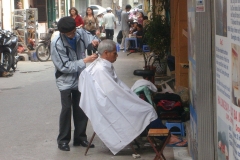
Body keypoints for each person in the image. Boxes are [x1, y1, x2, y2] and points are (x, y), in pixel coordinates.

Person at [78, 39, 187, 155]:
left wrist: (129, 95)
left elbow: (116, 88)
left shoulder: (104, 65)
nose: (117, 55)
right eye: (115, 53)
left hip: (114, 101)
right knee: (147, 110)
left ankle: (165, 135)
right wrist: (129, 99)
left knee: (145, 106)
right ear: (106, 53)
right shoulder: (100, 70)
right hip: (109, 106)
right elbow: (110, 93)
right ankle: (167, 138)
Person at [51, 16, 99, 151]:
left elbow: (92, 38)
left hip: (81, 78)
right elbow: (64, 66)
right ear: (62, 33)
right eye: (69, 34)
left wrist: (95, 41)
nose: (73, 35)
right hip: (65, 80)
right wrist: (85, 61)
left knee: (81, 107)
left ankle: (81, 138)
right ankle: (63, 140)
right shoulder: (56, 43)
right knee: (66, 109)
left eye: (73, 31)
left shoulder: (79, 32)